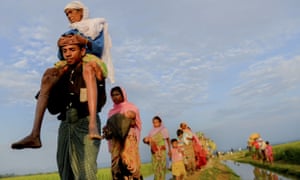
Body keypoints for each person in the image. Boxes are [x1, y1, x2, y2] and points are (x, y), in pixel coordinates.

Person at [11, 1, 113, 149]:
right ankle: (35, 133)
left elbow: (98, 48)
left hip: (90, 59)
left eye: (71, 12)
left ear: (81, 12)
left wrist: (84, 41)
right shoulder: (68, 32)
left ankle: (92, 124)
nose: (69, 16)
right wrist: (61, 44)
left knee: (88, 70)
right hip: (71, 62)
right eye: (67, 14)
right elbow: (61, 55)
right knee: (48, 75)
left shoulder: (95, 26)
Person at [49, 34, 102, 179]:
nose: (68, 53)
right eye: (65, 50)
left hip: (85, 121)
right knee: (64, 168)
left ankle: (92, 123)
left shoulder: (90, 68)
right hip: (66, 124)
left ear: (83, 51)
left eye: (72, 49)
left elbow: (99, 80)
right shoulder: (63, 73)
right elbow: (53, 108)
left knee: (86, 169)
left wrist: (92, 123)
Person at [105, 86, 142, 180]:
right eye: (112, 95)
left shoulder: (131, 107)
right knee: (117, 166)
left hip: (128, 140)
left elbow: (135, 122)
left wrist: (126, 119)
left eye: (117, 94)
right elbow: (109, 127)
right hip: (116, 142)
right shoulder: (111, 112)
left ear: (123, 95)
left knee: (130, 164)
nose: (115, 97)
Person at [143, 116, 171, 180]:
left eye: (156, 122)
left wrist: (170, 150)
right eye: (154, 123)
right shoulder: (151, 132)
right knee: (155, 169)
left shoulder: (164, 129)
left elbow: (168, 140)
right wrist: (146, 141)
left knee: (162, 168)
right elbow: (149, 143)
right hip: (154, 153)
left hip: (162, 152)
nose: (155, 124)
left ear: (160, 122)